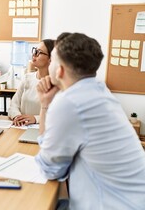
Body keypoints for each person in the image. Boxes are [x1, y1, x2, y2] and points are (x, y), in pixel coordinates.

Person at [35, 32, 145, 209]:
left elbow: (50, 170)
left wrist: (47, 106)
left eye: (52, 59)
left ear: (59, 69)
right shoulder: (100, 91)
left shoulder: (69, 103)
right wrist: (46, 103)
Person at [8, 39, 54, 126]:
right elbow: (13, 106)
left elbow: (57, 115)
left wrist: (36, 119)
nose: (34, 54)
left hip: (43, 129)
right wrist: (17, 116)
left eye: (39, 52)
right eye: (35, 50)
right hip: (21, 127)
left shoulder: (57, 83)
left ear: (51, 59)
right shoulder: (27, 78)